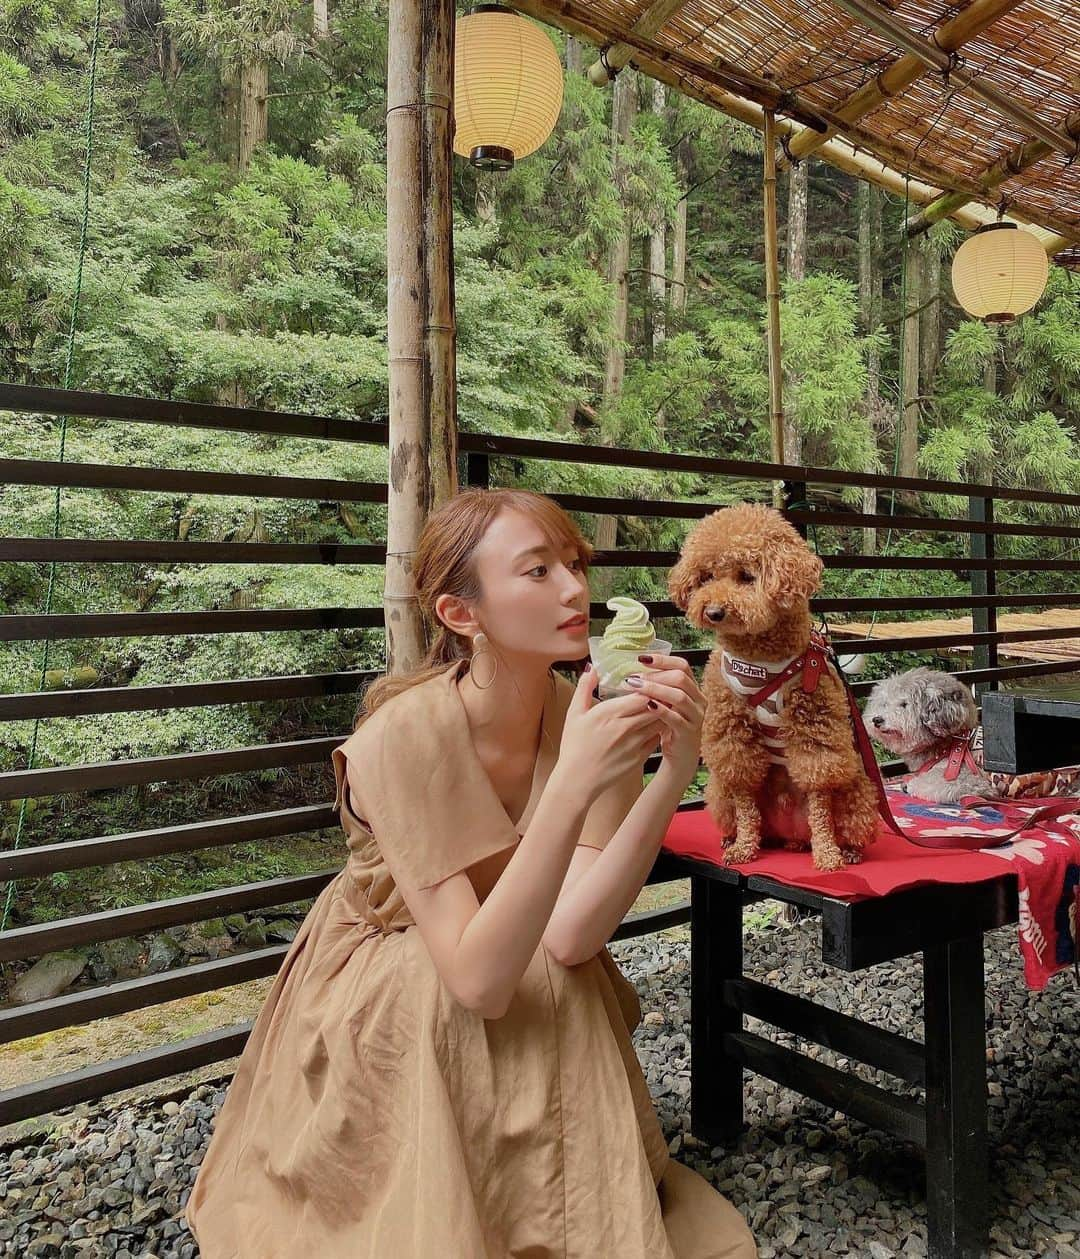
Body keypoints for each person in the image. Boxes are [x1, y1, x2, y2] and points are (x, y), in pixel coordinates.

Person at [186, 487, 756, 1258]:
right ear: (462, 613)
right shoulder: (403, 736)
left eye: (575, 563)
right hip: (394, 959)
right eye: (537, 571)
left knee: (560, 976)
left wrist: (674, 768)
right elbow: (478, 978)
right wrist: (573, 784)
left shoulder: (585, 706)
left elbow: (575, 932)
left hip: (513, 942)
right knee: (459, 989)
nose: (573, 589)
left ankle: (556, 1212)